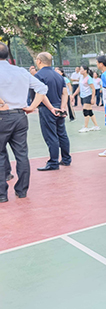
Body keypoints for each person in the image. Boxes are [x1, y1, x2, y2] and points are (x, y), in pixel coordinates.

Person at [0, 42, 48, 202]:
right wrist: (32, 107)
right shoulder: (20, 71)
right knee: (21, 154)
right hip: (20, 115)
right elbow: (42, 88)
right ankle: (21, 191)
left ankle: (2, 194)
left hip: (2, 116)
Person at [34, 52, 71, 171]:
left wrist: (50, 108)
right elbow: (64, 93)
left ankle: (53, 162)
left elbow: (41, 94)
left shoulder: (38, 76)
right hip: (59, 107)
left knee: (51, 135)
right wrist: (63, 107)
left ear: (39, 61)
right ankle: (66, 159)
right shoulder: (59, 76)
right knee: (62, 134)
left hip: (47, 109)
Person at [72, 66, 100, 133]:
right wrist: (73, 95)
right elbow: (79, 87)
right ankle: (96, 126)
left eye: (81, 69)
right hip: (83, 96)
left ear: (85, 71)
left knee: (85, 111)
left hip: (88, 96)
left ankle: (85, 127)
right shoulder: (81, 77)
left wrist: (92, 98)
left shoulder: (89, 78)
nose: (80, 70)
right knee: (90, 112)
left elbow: (93, 89)